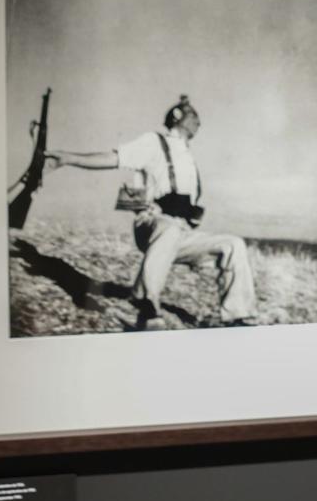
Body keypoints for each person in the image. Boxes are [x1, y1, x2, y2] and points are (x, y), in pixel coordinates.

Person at [46, 95, 257, 329]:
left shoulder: (188, 157)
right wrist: (67, 158)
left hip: (180, 233)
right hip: (153, 225)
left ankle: (238, 317)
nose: (200, 122)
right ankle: (145, 301)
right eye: (194, 115)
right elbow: (113, 158)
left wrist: (191, 216)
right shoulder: (154, 142)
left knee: (233, 245)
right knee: (169, 228)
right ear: (178, 117)